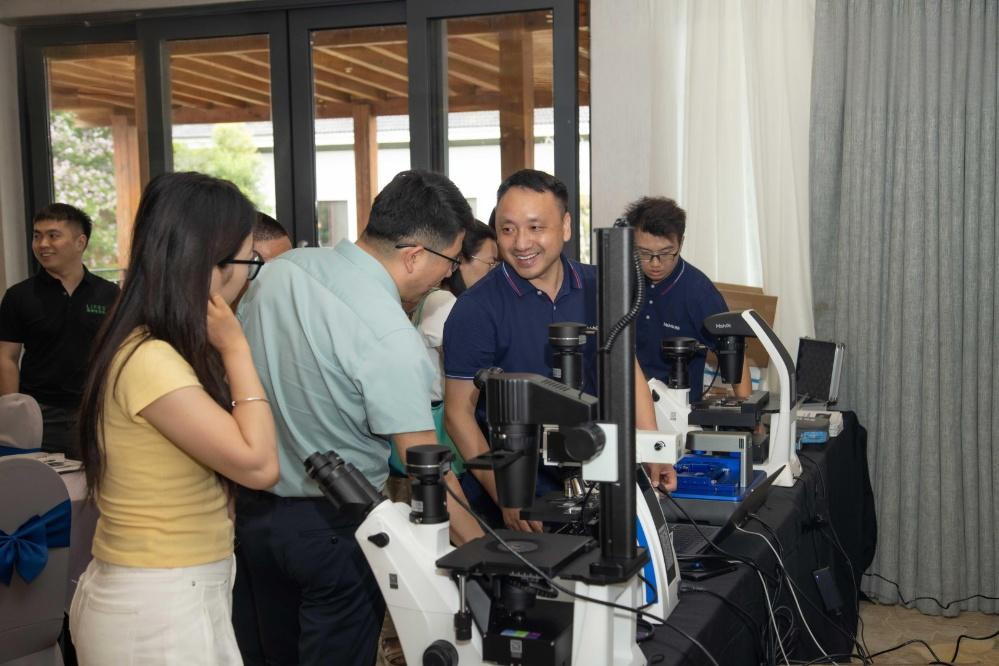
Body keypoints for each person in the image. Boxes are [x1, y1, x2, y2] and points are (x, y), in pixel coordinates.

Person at [233, 169, 484, 666]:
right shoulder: (391, 336)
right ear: (415, 255)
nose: (447, 276)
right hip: (336, 532)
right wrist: (484, 549)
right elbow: (425, 467)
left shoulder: (283, 270)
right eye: (451, 261)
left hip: (255, 520)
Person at [69, 172, 279, 665]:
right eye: (249, 261)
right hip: (158, 602)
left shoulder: (156, 346)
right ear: (211, 265)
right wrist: (236, 348)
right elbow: (259, 465)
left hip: (171, 588)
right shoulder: (150, 359)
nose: (249, 277)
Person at [443, 169, 673, 533]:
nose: (521, 243)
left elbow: (627, 371)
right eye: (507, 229)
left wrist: (650, 449)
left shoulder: (601, 287)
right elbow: (458, 413)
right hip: (520, 492)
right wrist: (507, 494)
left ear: (565, 227)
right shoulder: (475, 309)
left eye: (536, 227)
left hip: (601, 478)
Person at [0, 204, 119, 456]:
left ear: (80, 242)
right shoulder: (19, 296)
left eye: (53, 235)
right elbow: (6, 357)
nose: (42, 244)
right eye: (37, 236)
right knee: (37, 480)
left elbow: (120, 352)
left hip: (95, 411)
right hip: (38, 414)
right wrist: (12, 412)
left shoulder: (110, 294)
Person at [625, 197, 751, 402]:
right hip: (626, 403)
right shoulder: (621, 281)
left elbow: (734, 353)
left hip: (679, 409)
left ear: (681, 243)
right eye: (645, 253)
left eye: (666, 253)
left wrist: (747, 410)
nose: (655, 264)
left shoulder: (700, 293)